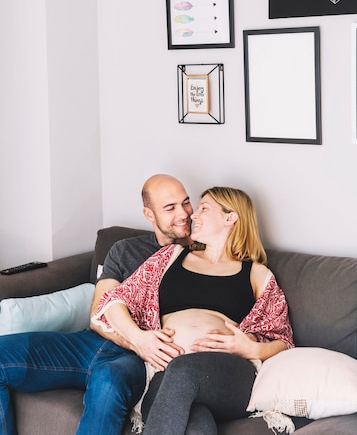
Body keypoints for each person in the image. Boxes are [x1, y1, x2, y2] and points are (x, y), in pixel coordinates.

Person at [0, 174, 193, 435]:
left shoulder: (202, 256)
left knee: (108, 382)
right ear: (149, 214)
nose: (183, 214)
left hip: (133, 362)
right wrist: (137, 340)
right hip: (91, 343)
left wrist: (141, 347)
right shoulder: (124, 250)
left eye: (186, 202)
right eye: (170, 208)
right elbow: (98, 313)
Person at [93, 186, 294, 434]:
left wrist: (252, 348)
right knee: (197, 424)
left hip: (229, 375)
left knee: (183, 370)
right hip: (165, 373)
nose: (193, 215)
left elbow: (283, 339)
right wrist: (140, 339)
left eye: (204, 209)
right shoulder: (171, 256)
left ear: (230, 218)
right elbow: (113, 302)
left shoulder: (256, 273)